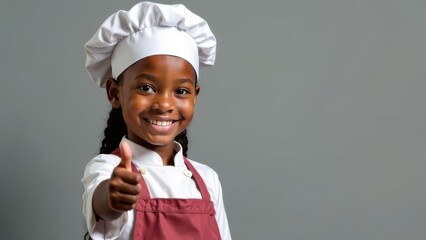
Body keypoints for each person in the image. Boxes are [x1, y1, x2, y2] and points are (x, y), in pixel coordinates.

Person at [81, 2, 231, 239]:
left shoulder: (208, 180)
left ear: (195, 95)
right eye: (146, 87)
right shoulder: (109, 169)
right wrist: (111, 196)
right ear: (114, 93)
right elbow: (102, 204)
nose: (164, 104)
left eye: (181, 91)